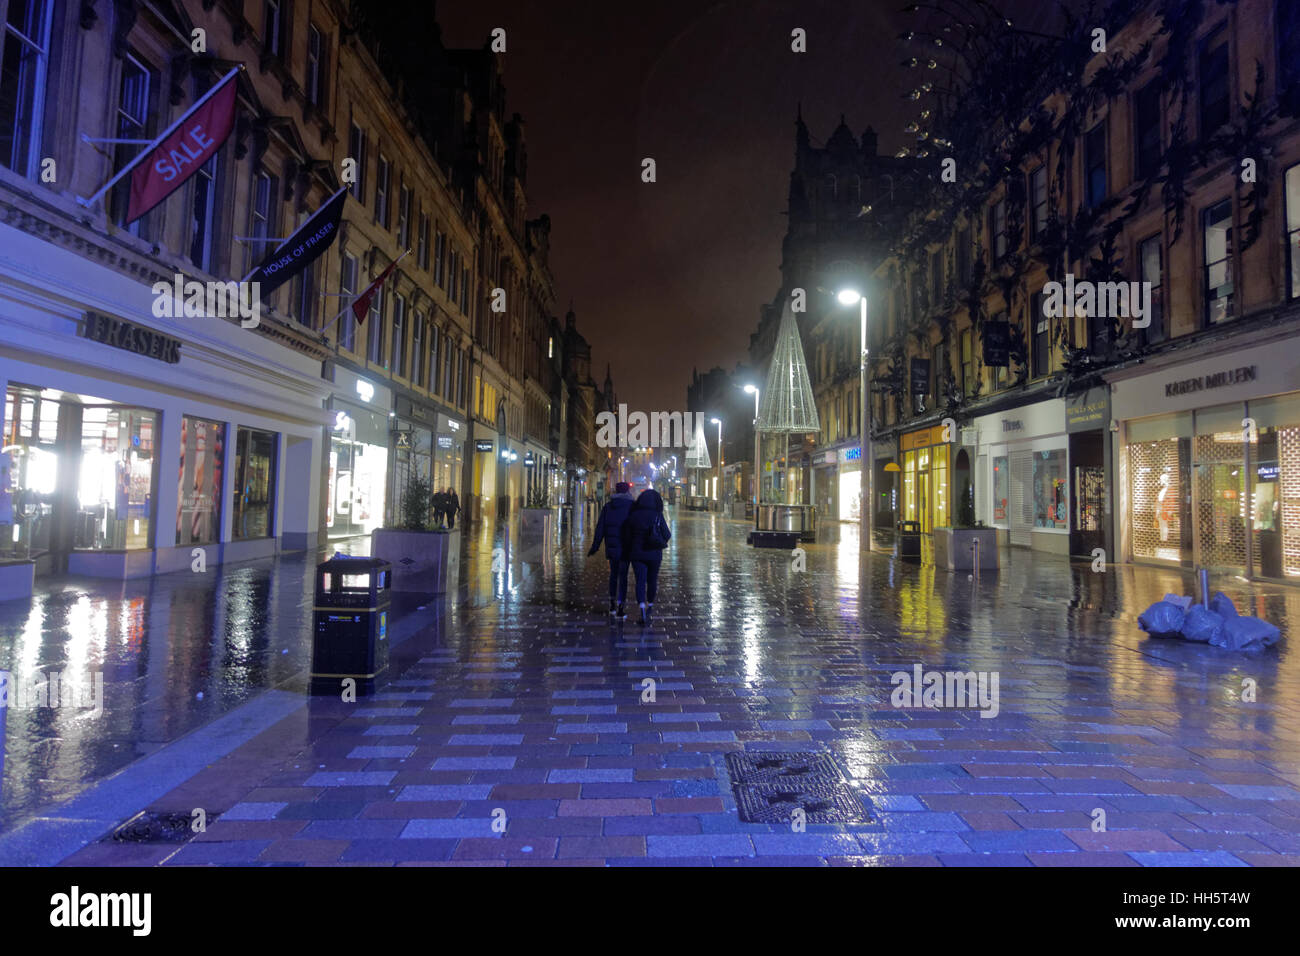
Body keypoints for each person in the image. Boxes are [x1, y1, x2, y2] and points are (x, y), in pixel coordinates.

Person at [620, 488, 671, 626]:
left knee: (640, 581)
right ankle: (650, 604)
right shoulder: (657, 515)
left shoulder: (634, 515)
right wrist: (658, 542)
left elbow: (626, 537)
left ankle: (641, 607)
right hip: (655, 554)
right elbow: (667, 534)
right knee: (652, 580)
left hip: (637, 554)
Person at [587, 481, 635, 618]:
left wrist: (595, 547)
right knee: (623, 577)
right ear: (627, 492)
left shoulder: (608, 507)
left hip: (612, 547)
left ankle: (612, 604)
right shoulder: (632, 507)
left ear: (615, 491)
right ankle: (621, 606)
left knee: (614, 575)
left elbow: (600, 528)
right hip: (627, 547)